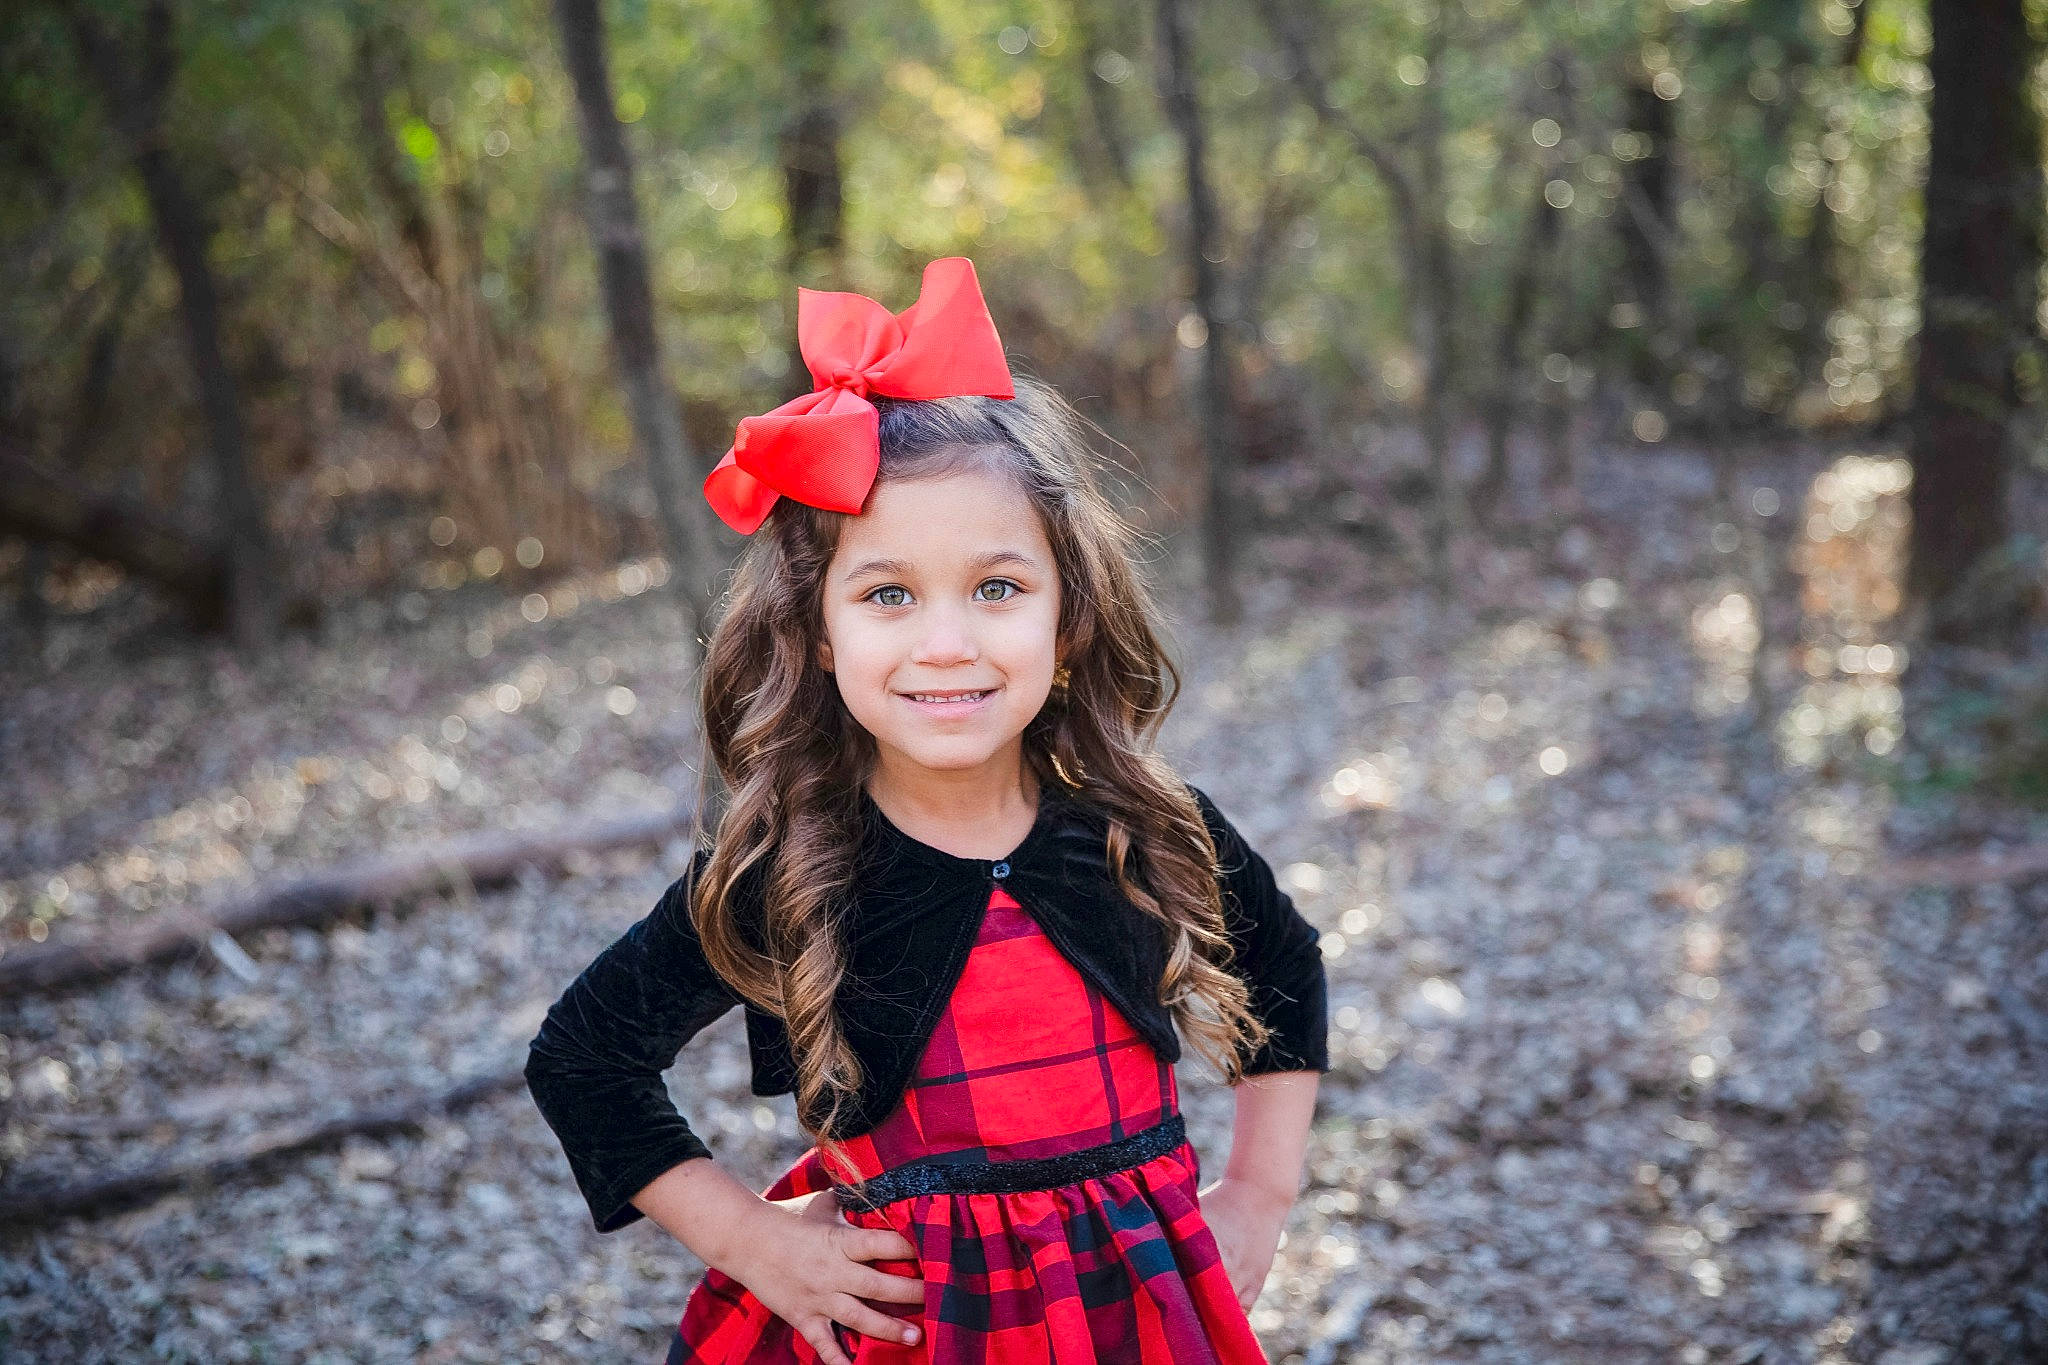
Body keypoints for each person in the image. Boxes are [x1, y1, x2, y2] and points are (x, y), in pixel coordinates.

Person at [523, 257, 1329, 1365]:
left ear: (1069, 618)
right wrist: (753, 1242)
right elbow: (583, 1057)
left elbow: (1283, 966)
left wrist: (1259, 1191)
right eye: (888, 593)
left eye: (996, 588)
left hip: (1125, 1320)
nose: (945, 642)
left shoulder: (1140, 823)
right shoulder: (790, 867)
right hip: (912, 1332)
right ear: (817, 632)